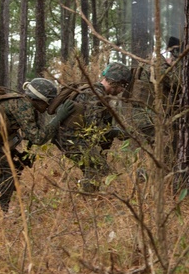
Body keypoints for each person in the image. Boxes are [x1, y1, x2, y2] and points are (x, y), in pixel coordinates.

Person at [0, 78, 75, 211]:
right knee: (7, 173)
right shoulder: (24, 105)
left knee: (11, 169)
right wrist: (58, 118)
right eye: (48, 102)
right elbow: (38, 138)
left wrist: (20, 155)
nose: (49, 106)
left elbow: (29, 136)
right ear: (39, 99)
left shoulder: (22, 103)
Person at [53, 62, 133, 192]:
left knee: (94, 168)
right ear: (115, 81)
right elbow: (94, 129)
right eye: (122, 85)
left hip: (71, 138)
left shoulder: (95, 92)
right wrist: (116, 132)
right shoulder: (95, 95)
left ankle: (90, 196)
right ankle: (89, 198)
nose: (122, 90)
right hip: (71, 139)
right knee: (101, 168)